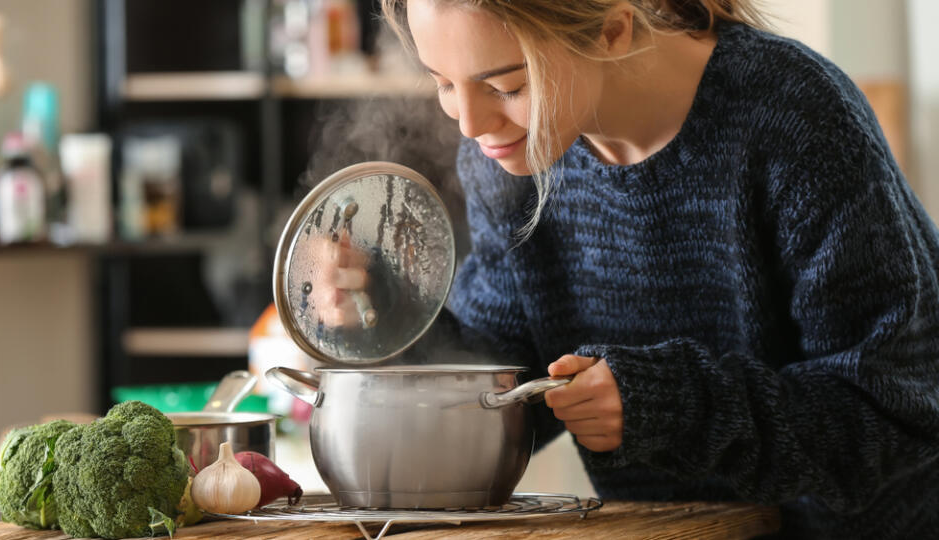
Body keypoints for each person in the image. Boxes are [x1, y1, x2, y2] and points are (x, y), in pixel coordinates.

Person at [318, 1, 939, 537]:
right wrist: (383, 315)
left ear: (612, 31)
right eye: (443, 83)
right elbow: (503, 390)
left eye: (505, 86)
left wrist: (673, 406)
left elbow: (897, 413)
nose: (472, 125)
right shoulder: (504, 163)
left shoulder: (793, 117)